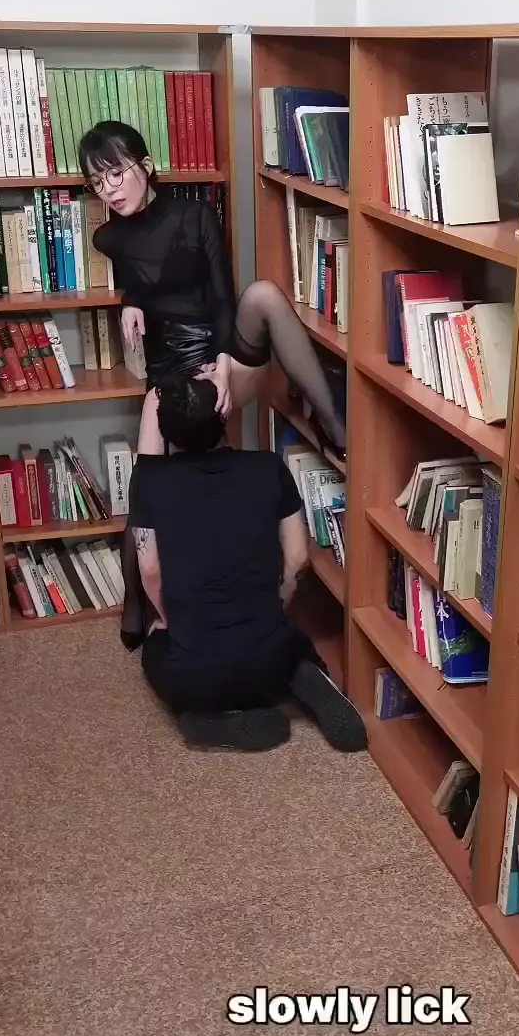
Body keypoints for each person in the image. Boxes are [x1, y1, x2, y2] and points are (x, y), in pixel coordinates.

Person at [81, 119, 348, 647]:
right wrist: (130, 301)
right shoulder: (107, 236)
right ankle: (136, 605)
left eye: (116, 173)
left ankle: (334, 426)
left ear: (146, 165)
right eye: (97, 181)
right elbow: (140, 274)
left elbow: (222, 293)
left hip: (219, 353)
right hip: (170, 376)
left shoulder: (195, 214)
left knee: (263, 295)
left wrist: (224, 359)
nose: (109, 189)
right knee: (148, 482)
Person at [127, 372, 365, 753]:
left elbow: (150, 570)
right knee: (291, 642)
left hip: (198, 680)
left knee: (154, 654)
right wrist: (278, 605)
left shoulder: (149, 483)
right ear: (225, 415)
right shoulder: (269, 467)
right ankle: (305, 678)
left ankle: (204, 723)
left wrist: (167, 620)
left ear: (168, 432)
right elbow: (298, 557)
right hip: (269, 666)